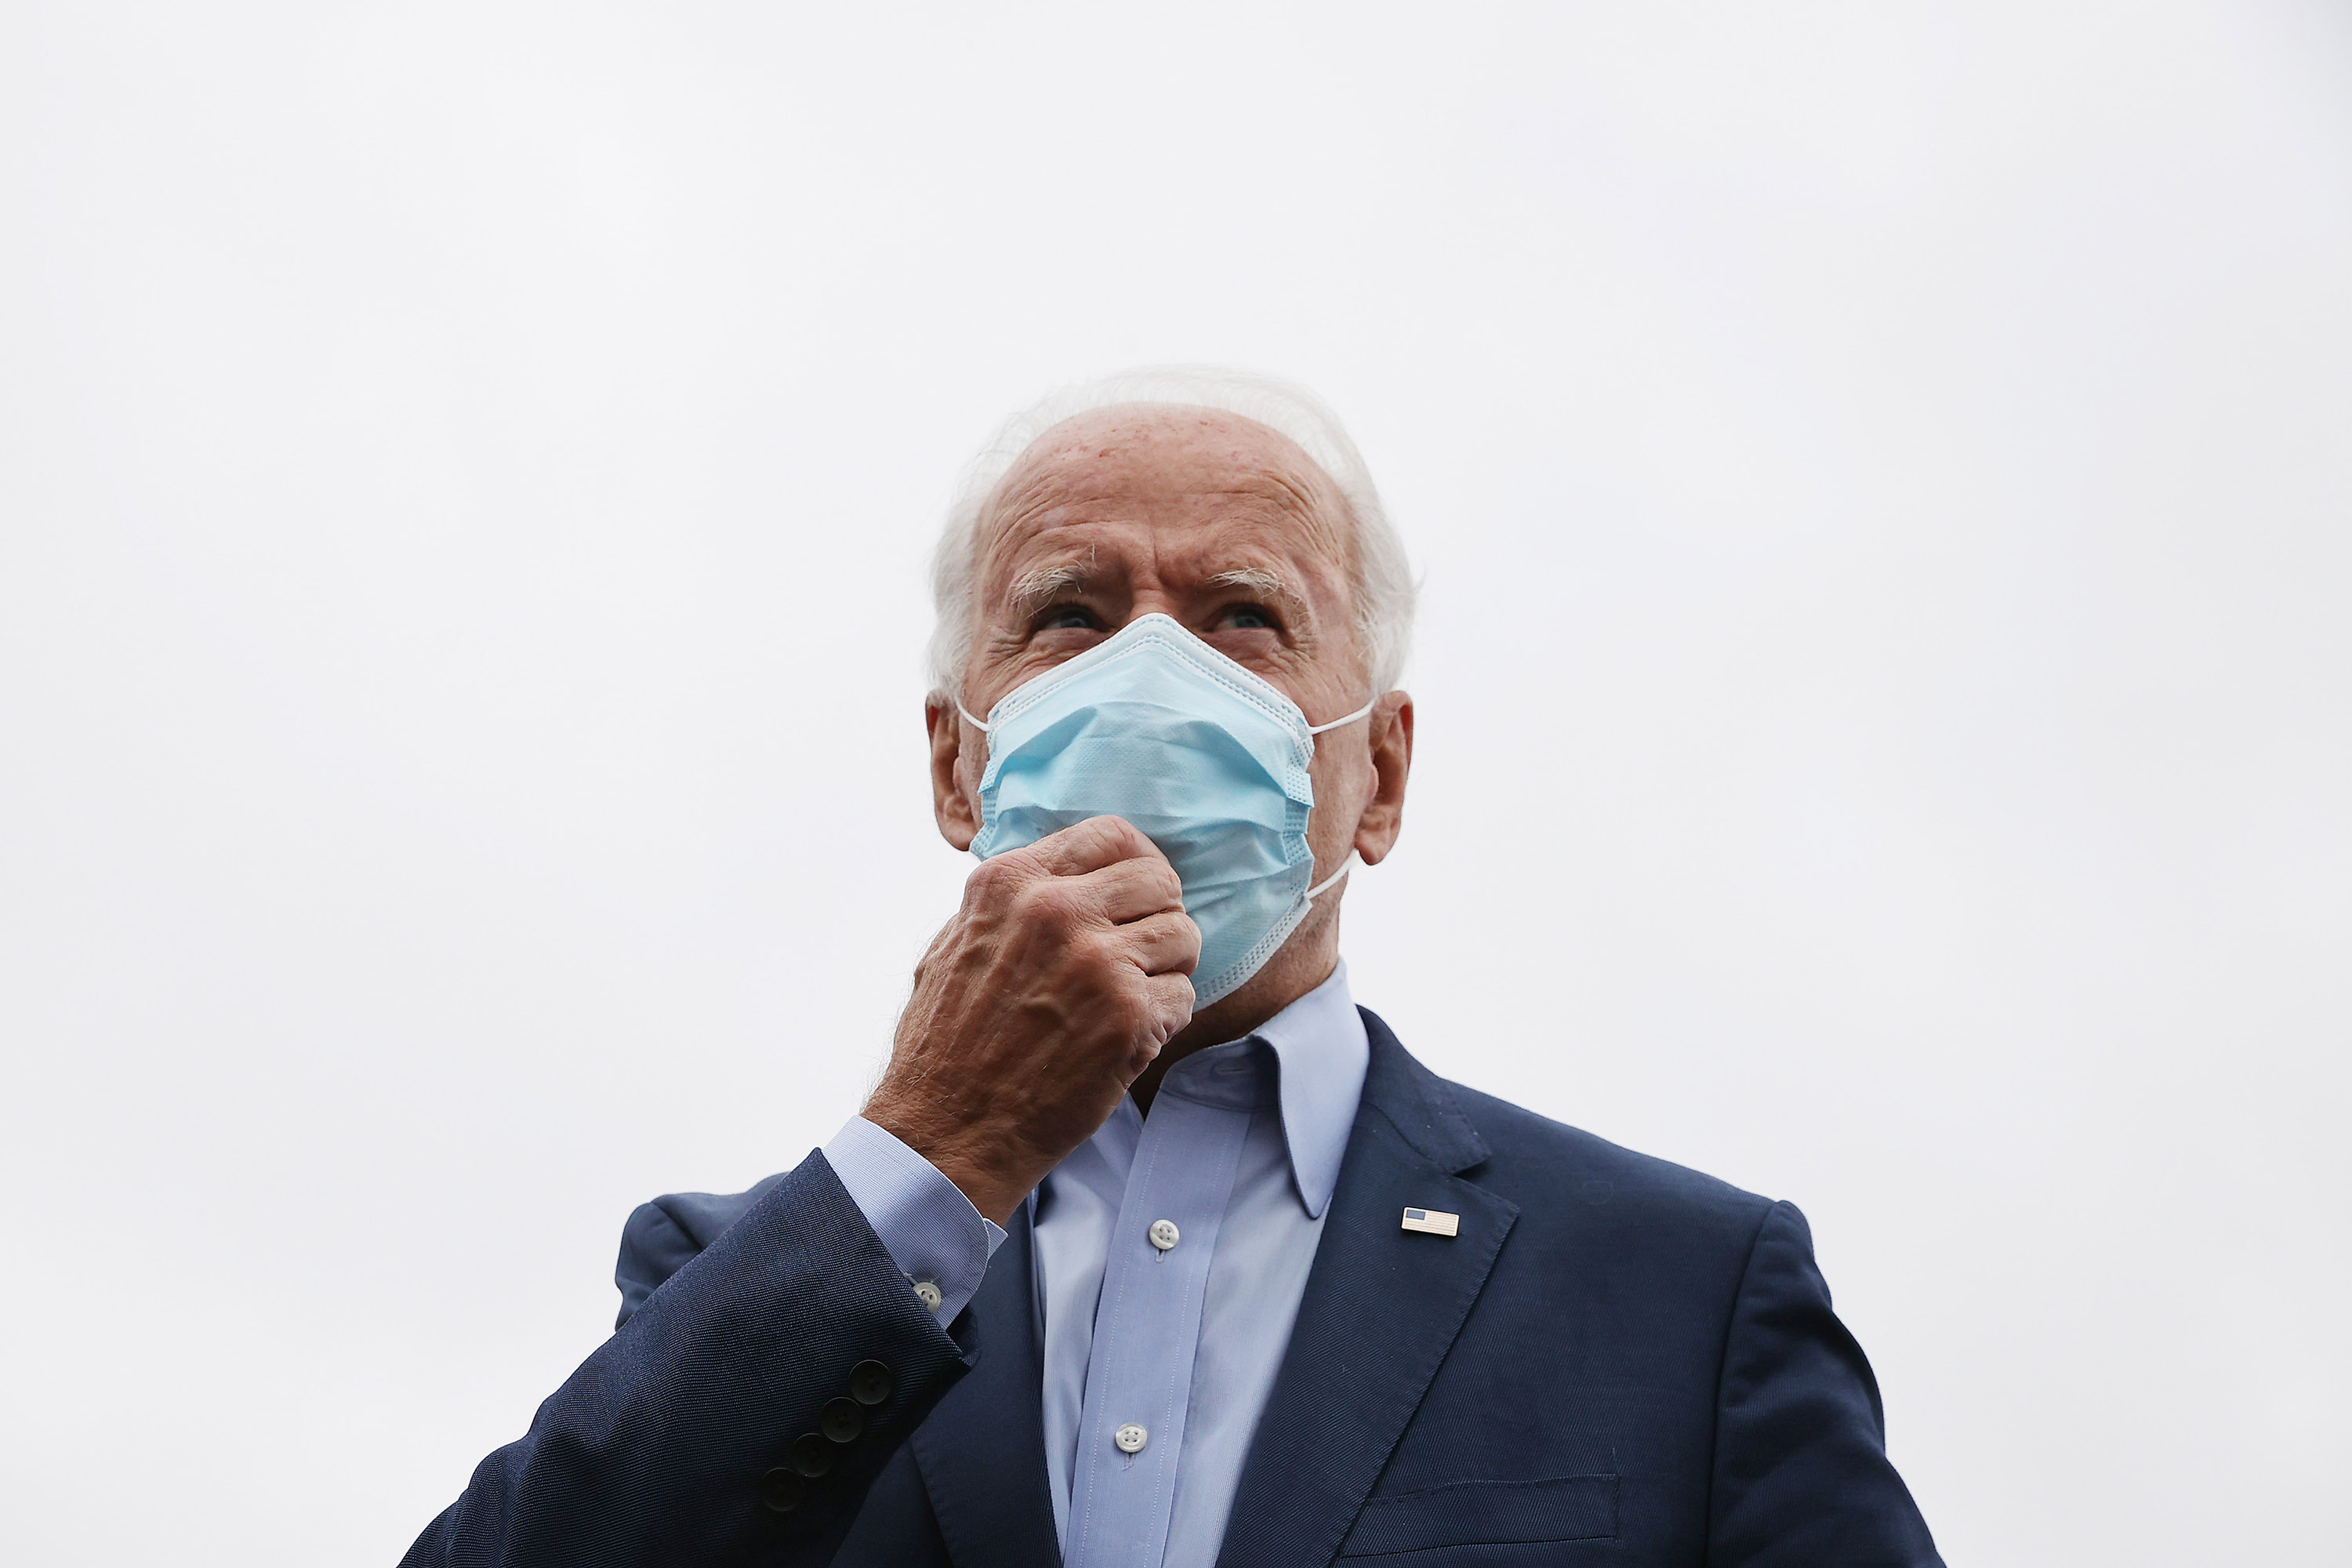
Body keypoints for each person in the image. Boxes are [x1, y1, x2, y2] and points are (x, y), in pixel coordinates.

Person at [399, 368, 1943, 1567]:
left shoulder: (1681, 1296)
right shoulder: (734, 1280)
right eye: (1071, 613)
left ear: (1382, 775)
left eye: (1244, 616)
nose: (1155, 673)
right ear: (955, 761)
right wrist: (933, 1149)